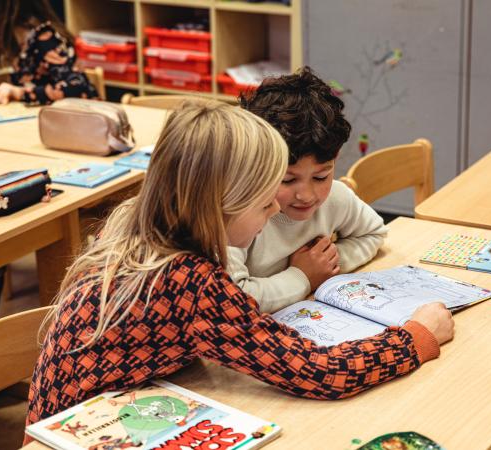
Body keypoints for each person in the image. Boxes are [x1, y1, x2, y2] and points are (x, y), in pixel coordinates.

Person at [26, 101, 454, 437]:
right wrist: (416, 337)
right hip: (80, 433)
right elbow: (317, 371)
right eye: (265, 201)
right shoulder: (187, 281)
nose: (274, 212)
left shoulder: (134, 222)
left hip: (66, 420)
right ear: (219, 206)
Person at [227, 67, 387, 312]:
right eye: (288, 180)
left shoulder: (336, 197)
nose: (307, 195)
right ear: (254, 163)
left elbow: (374, 233)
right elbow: (231, 299)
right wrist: (302, 277)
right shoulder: (236, 218)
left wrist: (326, 266)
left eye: (321, 176)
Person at [0, 0, 98, 105]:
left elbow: (77, 88)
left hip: (80, 117)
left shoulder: (46, 39)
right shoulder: (16, 40)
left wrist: (20, 93)